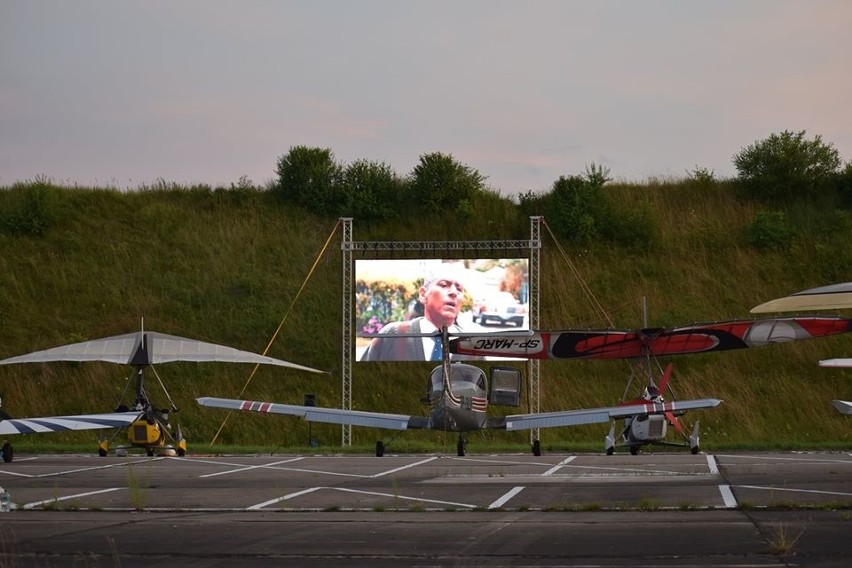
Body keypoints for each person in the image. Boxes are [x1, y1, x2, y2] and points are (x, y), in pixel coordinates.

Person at [361, 264, 469, 361]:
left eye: (459, 289)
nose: (454, 292)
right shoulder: (392, 335)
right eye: (444, 285)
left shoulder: (471, 345)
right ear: (423, 294)